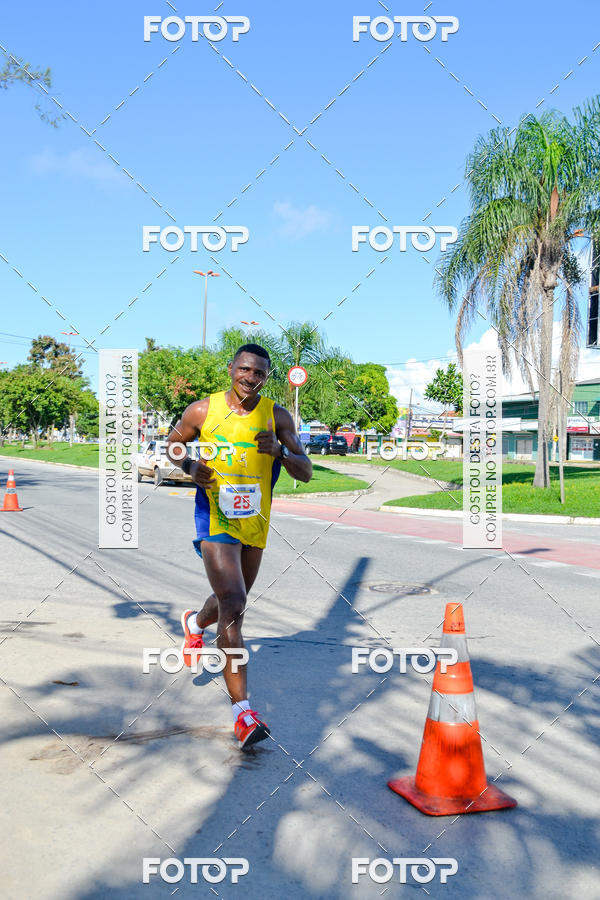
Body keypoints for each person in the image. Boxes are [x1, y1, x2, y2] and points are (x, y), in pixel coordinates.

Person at [166, 344, 312, 748]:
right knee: (234, 604)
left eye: (259, 373)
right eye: (245, 369)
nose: (250, 377)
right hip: (215, 519)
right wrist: (190, 466)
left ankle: (195, 624)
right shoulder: (202, 410)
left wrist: (280, 452)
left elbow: (305, 472)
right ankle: (243, 713)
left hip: (255, 522)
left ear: (266, 378)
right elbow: (173, 445)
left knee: (230, 599)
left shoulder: (277, 417)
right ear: (231, 369)